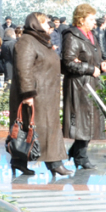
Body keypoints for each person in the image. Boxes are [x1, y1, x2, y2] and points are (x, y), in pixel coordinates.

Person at [8, 12, 72, 177]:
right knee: (35, 129)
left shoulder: (41, 41)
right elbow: (23, 69)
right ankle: (54, 163)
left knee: (42, 128)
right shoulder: (27, 42)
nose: (48, 26)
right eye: (45, 23)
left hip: (46, 95)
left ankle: (19, 161)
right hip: (36, 96)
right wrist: (28, 93)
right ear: (35, 24)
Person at [61, 3, 106, 169]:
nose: (94, 22)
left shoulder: (90, 35)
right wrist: (90, 68)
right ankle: (80, 157)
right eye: (91, 19)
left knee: (88, 120)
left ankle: (76, 153)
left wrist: (102, 64)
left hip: (89, 84)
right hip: (79, 86)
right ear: (81, 20)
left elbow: (95, 57)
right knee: (84, 121)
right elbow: (68, 62)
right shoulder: (72, 36)